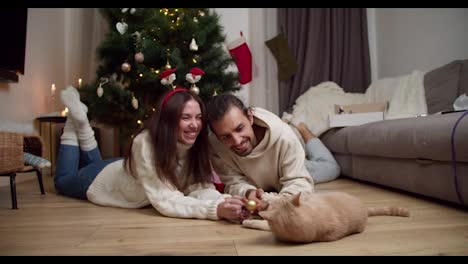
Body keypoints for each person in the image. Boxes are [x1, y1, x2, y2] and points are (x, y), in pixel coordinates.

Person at [54, 86, 245, 221]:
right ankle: (74, 122)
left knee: (91, 163)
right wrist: (215, 210)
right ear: (169, 120)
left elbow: (199, 187)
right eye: (185, 117)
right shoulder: (145, 142)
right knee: (63, 180)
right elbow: (165, 199)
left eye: (198, 118)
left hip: (126, 168)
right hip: (102, 180)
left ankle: (80, 120)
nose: (195, 125)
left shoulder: (197, 143)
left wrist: (227, 202)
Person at [206, 94, 315, 210]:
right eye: (225, 137)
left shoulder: (286, 138)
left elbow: (300, 184)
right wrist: (248, 192)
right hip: (271, 186)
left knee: (329, 167)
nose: (237, 141)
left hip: (300, 166)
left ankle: (304, 130)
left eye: (239, 129)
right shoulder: (216, 145)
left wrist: (274, 204)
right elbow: (233, 182)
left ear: (250, 117)